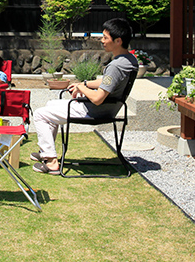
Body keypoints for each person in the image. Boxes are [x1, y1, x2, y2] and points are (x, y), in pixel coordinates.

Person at [30, 17, 137, 175]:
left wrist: (81, 87)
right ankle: (46, 151)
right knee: (51, 105)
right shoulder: (129, 60)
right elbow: (107, 83)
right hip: (110, 108)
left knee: (40, 114)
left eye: (105, 37)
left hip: (95, 111)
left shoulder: (116, 66)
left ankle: (51, 161)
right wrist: (86, 84)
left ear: (118, 41)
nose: (102, 40)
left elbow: (98, 98)